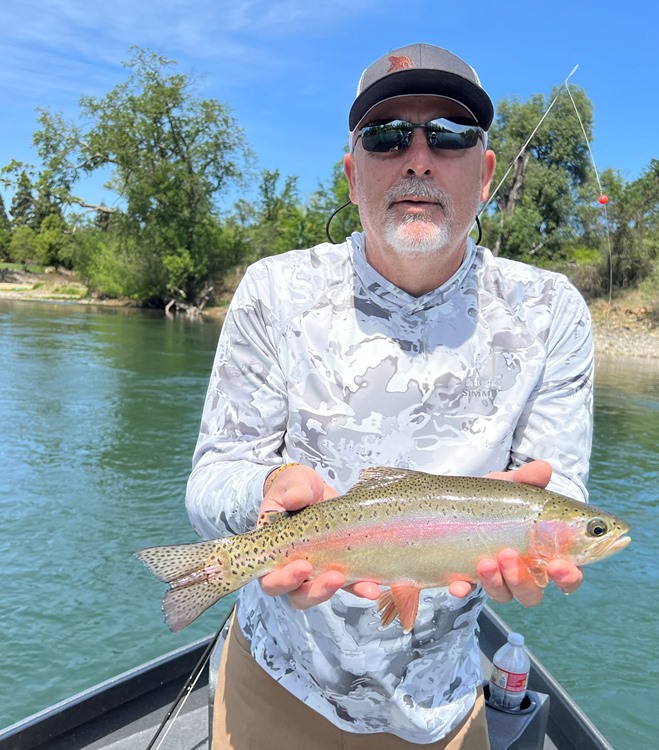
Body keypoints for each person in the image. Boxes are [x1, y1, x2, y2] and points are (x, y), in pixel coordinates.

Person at [186, 42, 593, 750]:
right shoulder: (274, 292)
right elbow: (209, 483)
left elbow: (563, 489)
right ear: (351, 175)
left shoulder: (551, 311)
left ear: (486, 172)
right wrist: (264, 491)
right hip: (275, 684)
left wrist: (538, 554)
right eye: (386, 136)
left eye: (450, 135)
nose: (417, 157)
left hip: (441, 708)